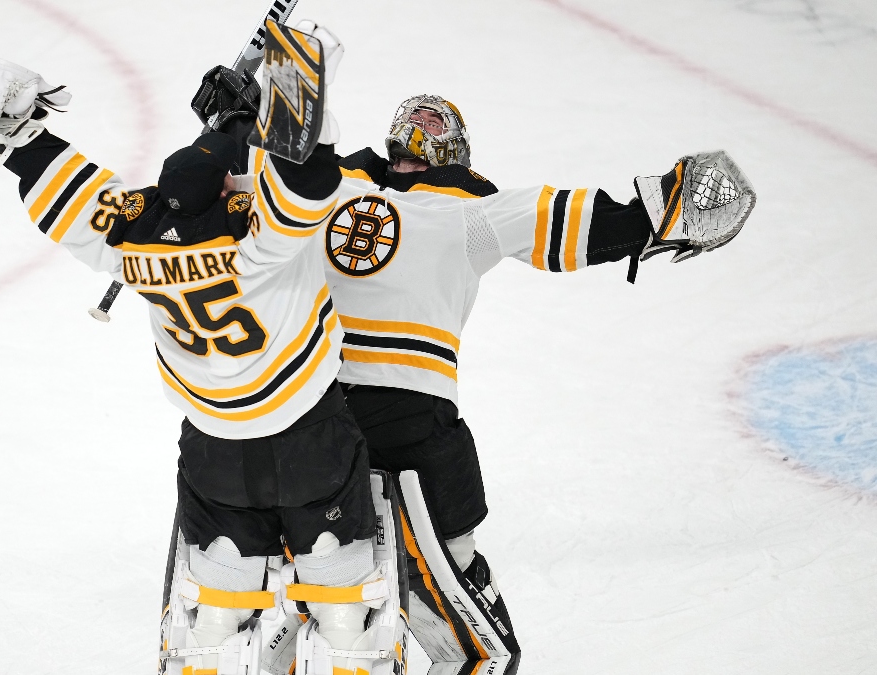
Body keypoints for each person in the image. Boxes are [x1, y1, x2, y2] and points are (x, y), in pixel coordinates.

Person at [200, 79, 755, 675]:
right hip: (370, 413)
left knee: (323, 590)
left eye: (435, 125)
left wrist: (232, 123)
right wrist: (233, 125)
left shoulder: (402, 200)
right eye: (416, 121)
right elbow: (227, 185)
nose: (421, 130)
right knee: (476, 647)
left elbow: (233, 183)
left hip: (309, 411)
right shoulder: (404, 199)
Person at [0, 22, 413, 675]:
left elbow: (52, 179)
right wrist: (276, 85)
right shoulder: (264, 237)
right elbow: (306, 169)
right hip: (308, 436)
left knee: (219, 592)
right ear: (235, 192)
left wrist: (15, 126)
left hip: (213, 446)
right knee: (342, 591)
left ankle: (213, 643)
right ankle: (348, 645)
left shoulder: (132, 239)